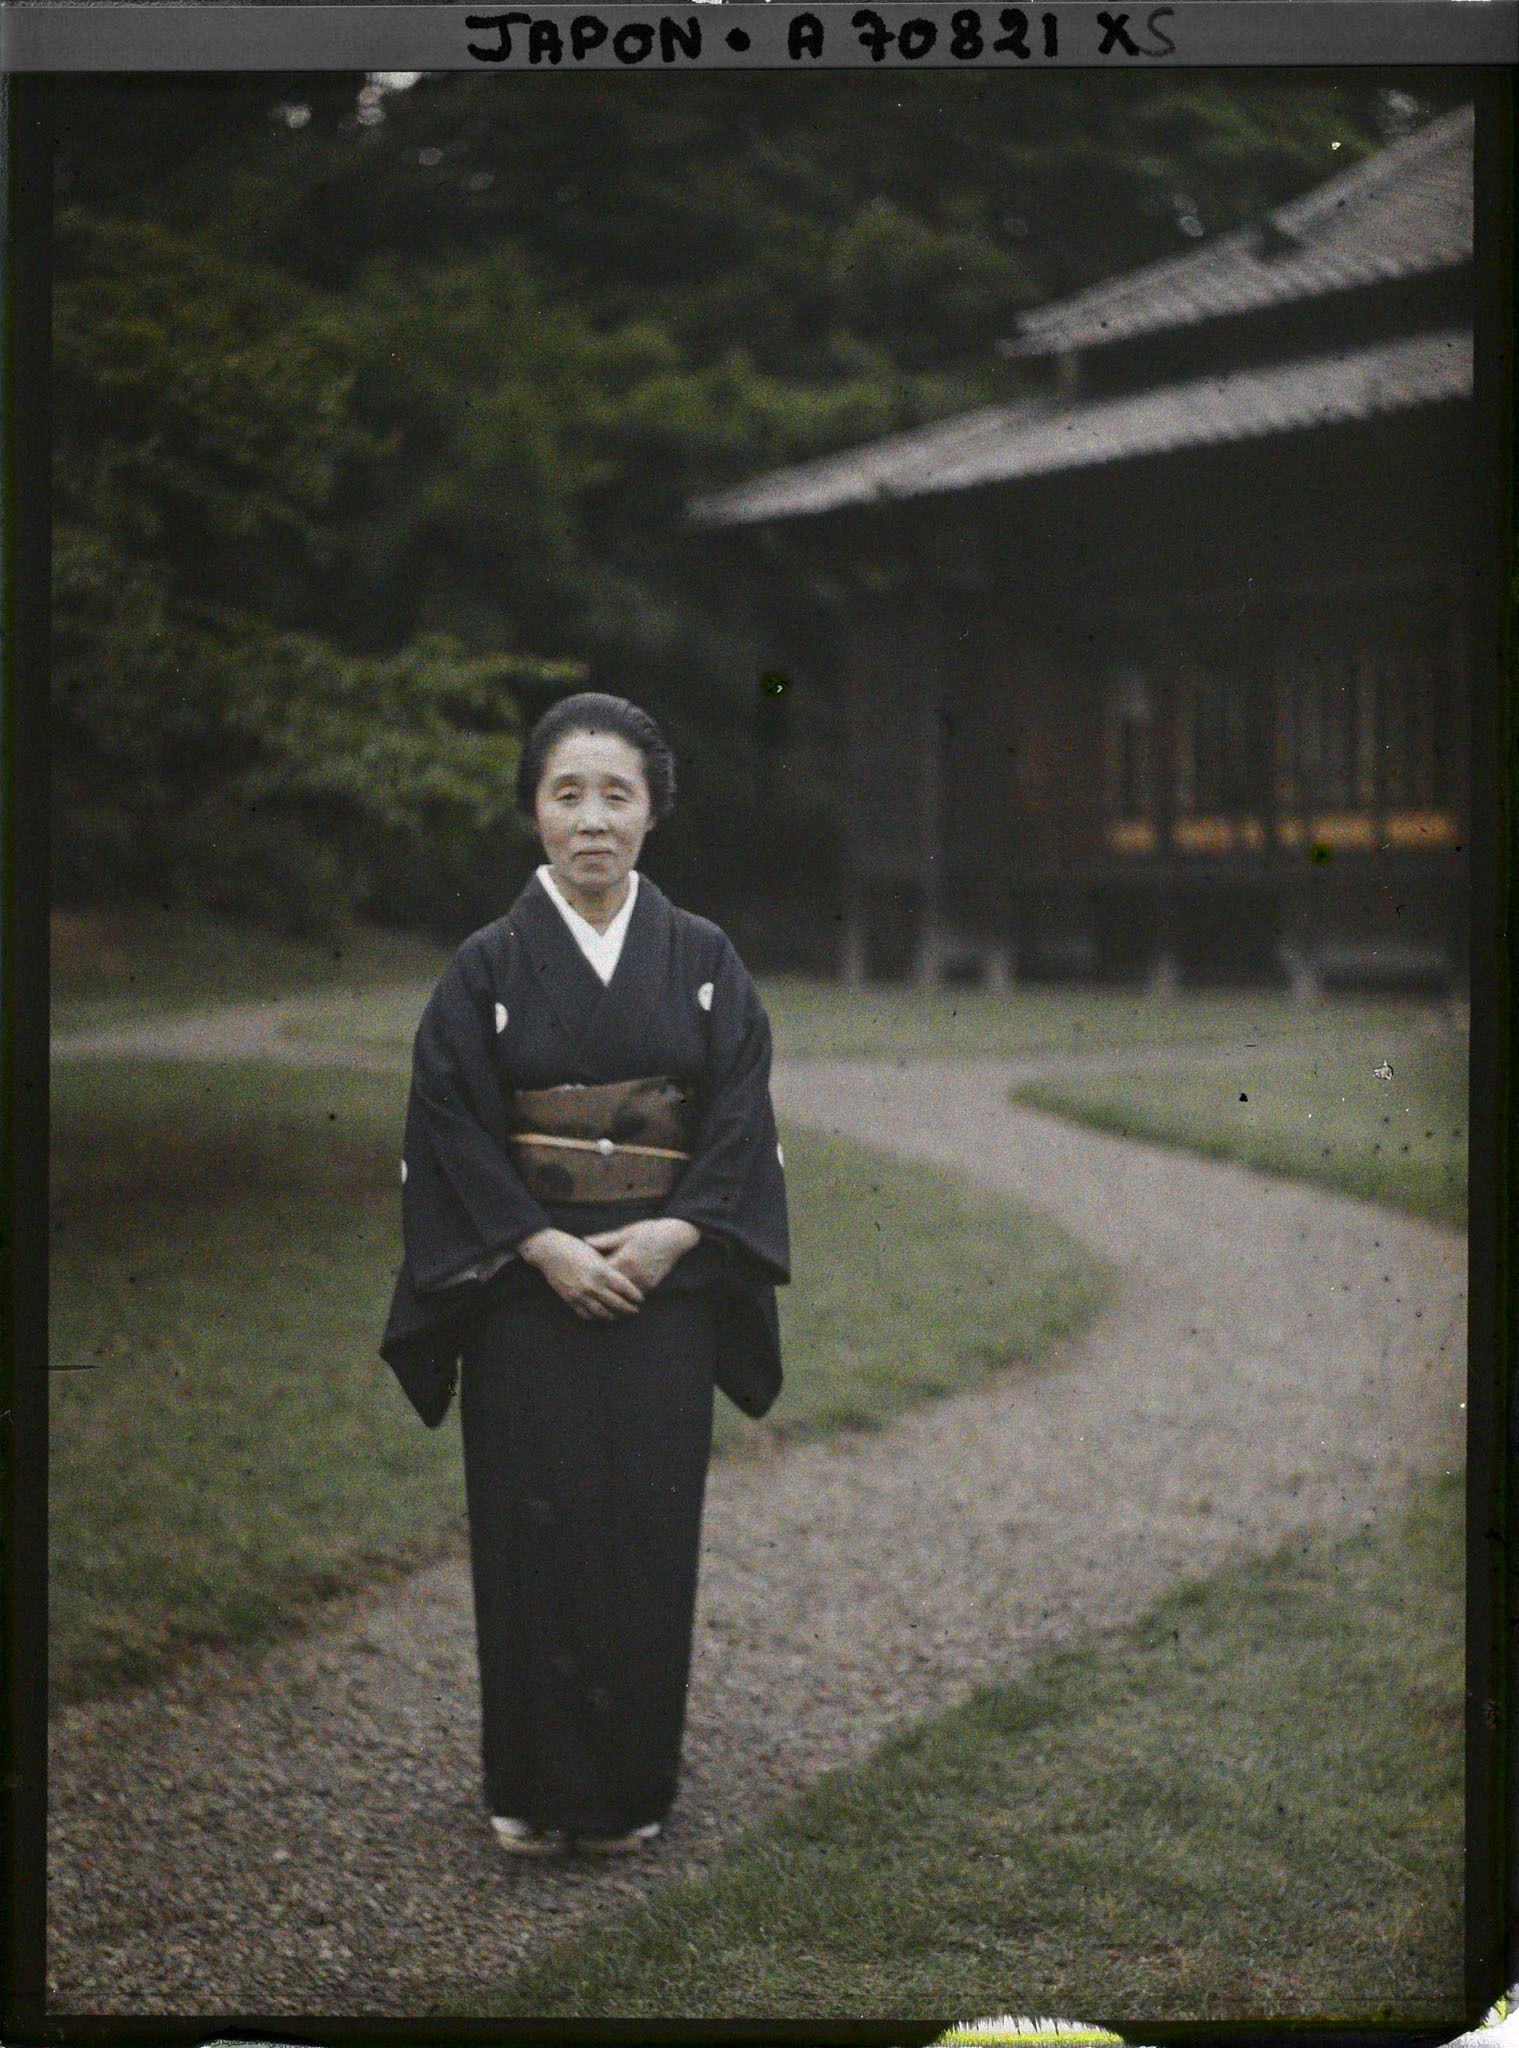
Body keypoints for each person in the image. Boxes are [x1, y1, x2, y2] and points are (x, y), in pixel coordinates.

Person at [380, 693, 790, 1857]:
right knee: (529, 1526)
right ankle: (529, 1784)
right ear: (534, 813)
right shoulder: (485, 967)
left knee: (647, 1529)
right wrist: (541, 1243)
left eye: (617, 794)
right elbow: (449, 1121)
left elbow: (739, 1116)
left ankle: (625, 1790)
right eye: (568, 793)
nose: (593, 819)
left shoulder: (704, 960)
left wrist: (674, 1237)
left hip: (663, 1288)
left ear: (653, 810)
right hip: (525, 1289)